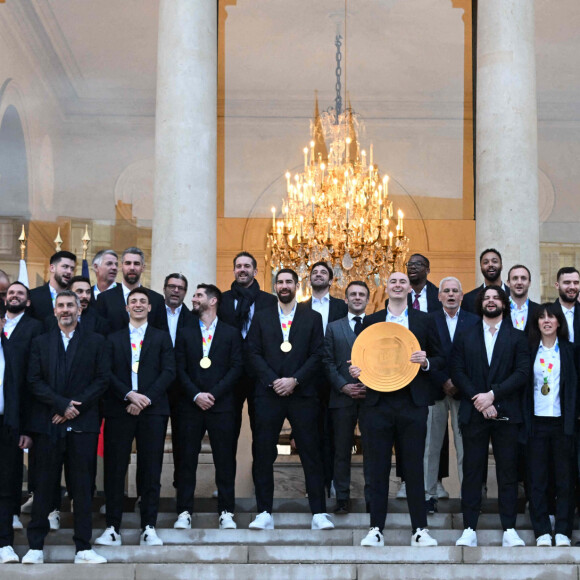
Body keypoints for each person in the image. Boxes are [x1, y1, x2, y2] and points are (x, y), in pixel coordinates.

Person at [351, 271, 443, 548]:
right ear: (386, 287)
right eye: (393, 281)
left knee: (414, 468)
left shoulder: (425, 321)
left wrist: (426, 362)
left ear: (409, 288)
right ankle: (376, 528)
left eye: (403, 281)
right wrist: (355, 370)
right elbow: (358, 357)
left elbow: (440, 359)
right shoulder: (371, 321)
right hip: (377, 405)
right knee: (376, 468)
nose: (398, 285)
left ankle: (420, 530)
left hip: (412, 404)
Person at [22, 291, 110, 564]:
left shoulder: (96, 342)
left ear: (79, 309)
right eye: (60, 305)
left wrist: (75, 409)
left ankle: (83, 548)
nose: (65, 309)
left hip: (83, 427)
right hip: (49, 425)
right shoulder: (40, 342)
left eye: (70, 305)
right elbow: (33, 380)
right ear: (54, 310)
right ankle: (35, 547)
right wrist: (61, 405)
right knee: (44, 487)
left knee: (83, 489)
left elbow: (102, 379)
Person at [246, 268, 333, 531]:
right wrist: (275, 380)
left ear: (297, 285)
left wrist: (295, 380)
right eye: (280, 282)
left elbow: (318, 354)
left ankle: (318, 511)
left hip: (302, 394)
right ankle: (264, 512)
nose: (284, 286)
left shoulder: (312, 317)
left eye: (288, 282)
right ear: (274, 286)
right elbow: (253, 352)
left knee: (310, 452)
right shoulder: (261, 317)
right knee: (262, 453)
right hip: (268, 394)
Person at [95, 288, 175, 548]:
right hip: (120, 410)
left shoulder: (162, 338)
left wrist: (144, 399)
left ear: (150, 308)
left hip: (153, 411)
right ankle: (112, 528)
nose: (138, 305)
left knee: (151, 469)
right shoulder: (112, 338)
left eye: (143, 301)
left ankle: (149, 527)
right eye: (133, 302)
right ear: (126, 308)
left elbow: (169, 371)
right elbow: (105, 372)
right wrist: (130, 395)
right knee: (115, 469)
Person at [451, 286, 529, 547]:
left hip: (507, 414)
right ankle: (469, 528)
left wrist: (493, 396)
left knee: (508, 473)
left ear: (504, 304)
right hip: (474, 412)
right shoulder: (465, 335)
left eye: (497, 298)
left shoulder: (517, 337)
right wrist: (480, 400)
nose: (492, 301)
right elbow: (458, 371)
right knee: (472, 471)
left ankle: (509, 529)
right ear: (481, 303)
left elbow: (521, 373)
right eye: (488, 298)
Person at [174, 284, 243, 530]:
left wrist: (213, 394)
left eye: (198, 295)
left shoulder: (231, 333)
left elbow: (236, 368)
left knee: (225, 460)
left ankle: (226, 511)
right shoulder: (184, 331)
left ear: (213, 301)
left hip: (221, 405)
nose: (193, 299)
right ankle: (184, 511)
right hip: (190, 406)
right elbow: (179, 367)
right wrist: (195, 394)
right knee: (186, 460)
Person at [523, 303, 578, 547]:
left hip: (562, 423)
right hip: (535, 423)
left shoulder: (570, 350)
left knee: (565, 479)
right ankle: (542, 530)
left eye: (551, 317)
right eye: (542, 318)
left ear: (558, 323)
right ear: (536, 323)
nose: (546, 321)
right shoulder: (528, 350)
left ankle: (564, 530)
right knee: (537, 479)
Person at [218, 252, 277, 471]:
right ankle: (224, 484)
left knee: (263, 429)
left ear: (255, 270)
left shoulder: (269, 301)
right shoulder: (222, 300)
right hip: (229, 375)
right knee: (226, 431)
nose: (242, 269)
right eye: (238, 266)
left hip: (260, 375)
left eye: (247, 266)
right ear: (233, 270)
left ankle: (261, 479)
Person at [425, 277, 480, 512]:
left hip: (464, 393)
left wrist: (458, 382)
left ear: (461, 296)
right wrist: (443, 380)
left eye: (454, 291)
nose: (450, 294)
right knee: (430, 447)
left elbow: (476, 358)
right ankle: (427, 497)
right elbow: (424, 355)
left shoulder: (475, 321)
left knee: (465, 448)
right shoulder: (428, 321)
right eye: (445, 291)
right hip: (434, 390)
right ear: (439, 296)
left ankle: (469, 498)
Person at [0, 282, 41, 563]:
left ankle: (4, 544)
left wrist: (25, 427)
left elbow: (23, 388)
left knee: (5, 485)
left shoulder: (10, 349)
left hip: (8, 425)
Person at [322, 281, 370, 514]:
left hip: (372, 397)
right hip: (342, 398)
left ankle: (373, 496)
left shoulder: (376, 326)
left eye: (362, 294)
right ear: (346, 300)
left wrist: (370, 386)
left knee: (373, 449)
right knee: (341, 450)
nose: (357, 297)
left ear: (368, 299)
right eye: (353, 294)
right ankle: (342, 497)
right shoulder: (333, 327)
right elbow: (328, 362)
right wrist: (343, 386)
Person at [304, 261, 348, 497]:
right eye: (315, 273)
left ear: (331, 281)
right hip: (309, 379)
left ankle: (334, 481)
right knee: (311, 431)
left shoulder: (342, 306)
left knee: (336, 433)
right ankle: (316, 484)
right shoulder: (300, 308)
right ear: (308, 279)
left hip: (337, 379)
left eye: (323, 273)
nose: (318, 275)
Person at [159, 273, 194, 491]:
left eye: (180, 288)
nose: (175, 291)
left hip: (183, 390)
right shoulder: (152, 316)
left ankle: (181, 489)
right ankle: (148, 491)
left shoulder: (193, 318)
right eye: (171, 286)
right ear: (164, 289)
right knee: (152, 442)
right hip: (156, 389)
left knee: (184, 443)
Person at [96, 247, 165, 332]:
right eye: (128, 263)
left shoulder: (157, 300)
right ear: (121, 266)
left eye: (136, 263)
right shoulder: (104, 299)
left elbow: (163, 336)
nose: (132, 267)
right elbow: (99, 334)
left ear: (143, 267)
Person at [45, 276, 110, 336]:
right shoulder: (51, 321)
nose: (85, 296)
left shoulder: (99, 322)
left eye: (88, 292)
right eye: (79, 291)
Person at [28, 251, 77, 322]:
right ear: (52, 268)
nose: (69, 271)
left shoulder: (76, 297)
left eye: (72, 269)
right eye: (65, 267)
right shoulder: (33, 296)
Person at [462, 249, 510, 314]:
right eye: (486, 262)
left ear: (501, 266)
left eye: (494, 261)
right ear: (481, 268)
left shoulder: (514, 296)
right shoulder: (468, 299)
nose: (490, 264)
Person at [506, 264, 540, 334]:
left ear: (529, 283)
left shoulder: (539, 311)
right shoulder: (500, 309)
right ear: (508, 283)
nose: (519, 282)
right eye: (515, 278)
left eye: (523, 278)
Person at [552, 267, 580, 343]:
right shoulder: (548, 314)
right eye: (567, 283)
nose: (572, 287)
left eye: (576, 283)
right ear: (557, 285)